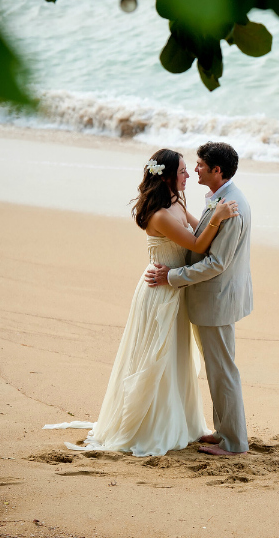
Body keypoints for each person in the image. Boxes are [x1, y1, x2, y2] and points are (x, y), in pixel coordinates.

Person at [43, 149, 239, 457]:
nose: (188, 175)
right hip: (160, 291)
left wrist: (216, 222)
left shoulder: (176, 202)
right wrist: (217, 216)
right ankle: (151, 426)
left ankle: (180, 422)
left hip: (173, 288)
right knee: (155, 358)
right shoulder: (160, 214)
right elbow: (199, 243)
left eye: (190, 170)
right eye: (183, 171)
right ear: (169, 176)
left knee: (174, 358)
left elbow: (200, 232)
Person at [144, 142, 253, 456]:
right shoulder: (221, 199)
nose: (194, 171)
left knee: (223, 371)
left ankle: (234, 444)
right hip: (212, 299)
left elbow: (216, 263)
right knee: (218, 369)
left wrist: (171, 277)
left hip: (216, 301)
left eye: (200, 166)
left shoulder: (230, 207)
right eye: (187, 168)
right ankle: (224, 433)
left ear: (216, 170)